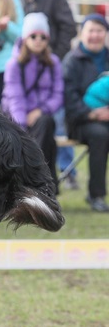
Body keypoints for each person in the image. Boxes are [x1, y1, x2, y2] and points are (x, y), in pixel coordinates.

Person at [14, 0, 78, 188]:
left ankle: (68, 171)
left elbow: (68, 26)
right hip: (21, 65)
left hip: (50, 68)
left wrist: (54, 57)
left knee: (55, 122)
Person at [1, 12, 64, 192]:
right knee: (42, 138)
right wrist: (23, 124)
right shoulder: (14, 64)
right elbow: (15, 96)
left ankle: (38, 181)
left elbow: (58, 94)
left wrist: (40, 110)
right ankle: (44, 182)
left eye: (43, 37)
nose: (38, 40)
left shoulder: (54, 63)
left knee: (45, 124)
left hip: (41, 116)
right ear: (25, 37)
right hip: (16, 117)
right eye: (33, 36)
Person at [63, 13, 109, 213]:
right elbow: (68, 100)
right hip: (79, 121)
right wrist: (93, 114)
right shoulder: (72, 61)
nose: (95, 36)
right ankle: (96, 195)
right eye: (91, 31)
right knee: (100, 135)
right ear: (82, 33)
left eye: (100, 31)